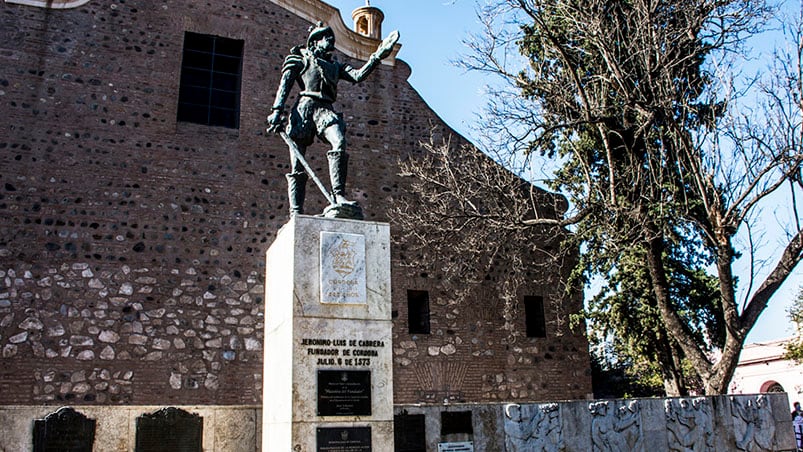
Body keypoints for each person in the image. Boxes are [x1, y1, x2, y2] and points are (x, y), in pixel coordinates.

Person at [266, 22, 398, 216]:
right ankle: (296, 211)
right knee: (297, 164)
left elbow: (358, 75)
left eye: (331, 38)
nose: (330, 41)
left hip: (325, 110)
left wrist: (377, 55)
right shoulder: (301, 58)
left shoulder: (336, 66)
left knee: (339, 141)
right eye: (325, 37)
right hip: (304, 110)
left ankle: (338, 196)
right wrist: (277, 110)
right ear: (314, 42)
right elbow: (285, 84)